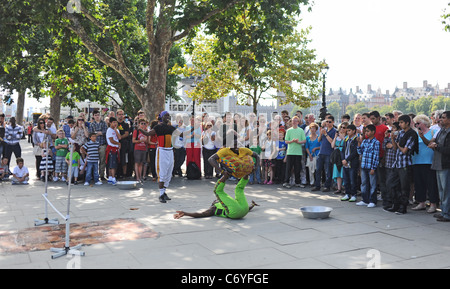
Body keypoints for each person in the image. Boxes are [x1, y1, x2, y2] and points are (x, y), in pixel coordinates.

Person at [173, 173, 259, 219]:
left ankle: (247, 173)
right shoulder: (213, 208)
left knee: (239, 190)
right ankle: (225, 175)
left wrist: (252, 205)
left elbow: (246, 207)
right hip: (235, 213)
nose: (216, 200)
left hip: (244, 211)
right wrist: (186, 213)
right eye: (216, 201)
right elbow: (201, 214)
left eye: (216, 200)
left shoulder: (228, 204)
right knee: (218, 191)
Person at [140, 111, 177, 203]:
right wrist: (139, 129)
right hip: (162, 151)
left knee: (169, 173)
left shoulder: (171, 128)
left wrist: (192, 128)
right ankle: (161, 194)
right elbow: (148, 134)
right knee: (162, 173)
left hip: (170, 151)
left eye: (168, 115)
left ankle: (164, 192)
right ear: (161, 117)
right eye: (166, 115)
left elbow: (182, 135)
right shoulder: (158, 127)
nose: (168, 117)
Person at [388, 114, 418, 215]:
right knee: (391, 184)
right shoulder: (400, 133)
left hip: (405, 164)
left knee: (404, 187)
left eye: (401, 122)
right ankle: (395, 204)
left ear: (407, 123)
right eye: (399, 122)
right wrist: (393, 138)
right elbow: (396, 148)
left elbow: (405, 150)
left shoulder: (412, 134)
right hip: (397, 163)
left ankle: (402, 207)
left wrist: (398, 144)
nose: (400, 125)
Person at [411, 114, 439, 213]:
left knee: (431, 183)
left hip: (428, 161)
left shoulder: (433, 132)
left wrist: (422, 136)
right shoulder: (415, 133)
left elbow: (431, 143)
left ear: (425, 123)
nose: (416, 125)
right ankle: (421, 202)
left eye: (418, 123)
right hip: (416, 161)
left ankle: (433, 204)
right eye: (415, 123)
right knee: (419, 183)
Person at [428, 111, 450, 222]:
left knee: (446, 191)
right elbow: (435, 142)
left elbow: (448, 149)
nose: (440, 119)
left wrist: (437, 146)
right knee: (441, 190)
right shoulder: (442, 130)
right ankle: (443, 211)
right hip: (438, 163)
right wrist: (433, 144)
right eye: (440, 118)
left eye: (444, 118)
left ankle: (447, 214)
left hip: (445, 164)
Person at [356, 124, 380, 208]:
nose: (366, 133)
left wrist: (373, 167)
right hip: (364, 165)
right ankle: (365, 200)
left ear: (373, 132)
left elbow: (376, 156)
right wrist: (359, 143)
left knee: (372, 184)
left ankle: (372, 200)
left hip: (371, 166)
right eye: (365, 131)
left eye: (368, 131)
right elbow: (360, 151)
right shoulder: (365, 141)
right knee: (364, 183)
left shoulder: (376, 142)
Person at [313, 115, 336, 192]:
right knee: (318, 170)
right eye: (326, 121)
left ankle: (327, 186)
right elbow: (319, 140)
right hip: (321, 152)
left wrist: (326, 134)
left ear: (333, 122)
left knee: (328, 171)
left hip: (329, 153)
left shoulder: (334, 131)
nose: (328, 123)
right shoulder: (324, 129)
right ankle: (317, 185)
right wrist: (321, 133)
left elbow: (332, 142)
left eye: (329, 122)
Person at [282, 116, 306, 189]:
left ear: (298, 122)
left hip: (298, 152)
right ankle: (286, 182)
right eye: (293, 121)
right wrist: (291, 141)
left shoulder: (301, 130)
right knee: (288, 168)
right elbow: (286, 141)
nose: (294, 122)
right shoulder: (289, 130)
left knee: (297, 168)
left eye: (295, 121)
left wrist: (298, 142)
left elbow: (304, 141)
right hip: (290, 152)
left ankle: (297, 182)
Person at [340, 124, 359, 202]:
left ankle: (353, 194)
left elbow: (355, 152)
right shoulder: (346, 139)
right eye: (347, 130)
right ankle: (347, 193)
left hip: (352, 162)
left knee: (352, 179)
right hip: (345, 163)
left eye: (349, 130)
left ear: (354, 131)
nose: (347, 132)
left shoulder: (356, 140)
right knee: (346, 179)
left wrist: (347, 160)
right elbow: (343, 150)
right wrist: (343, 159)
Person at [89, 110, 108, 180]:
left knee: (102, 161)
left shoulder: (104, 123)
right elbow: (91, 134)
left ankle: (102, 175)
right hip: (94, 145)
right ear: (93, 116)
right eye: (96, 115)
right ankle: (94, 176)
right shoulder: (92, 124)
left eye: (98, 115)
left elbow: (105, 132)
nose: (97, 116)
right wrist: (98, 133)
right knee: (94, 161)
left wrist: (98, 133)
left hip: (102, 144)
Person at [106, 117, 122, 185]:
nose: (115, 124)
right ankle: (113, 178)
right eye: (113, 122)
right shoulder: (109, 130)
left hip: (116, 149)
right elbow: (111, 140)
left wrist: (115, 130)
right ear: (110, 123)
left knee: (114, 163)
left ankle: (110, 178)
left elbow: (119, 137)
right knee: (112, 164)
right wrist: (118, 143)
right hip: (111, 148)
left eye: (116, 122)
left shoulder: (117, 130)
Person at [132, 118, 148, 183]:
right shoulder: (136, 131)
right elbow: (133, 140)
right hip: (137, 148)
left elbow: (147, 141)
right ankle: (137, 177)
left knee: (141, 163)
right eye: (142, 123)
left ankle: (140, 177)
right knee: (137, 163)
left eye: (144, 123)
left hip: (143, 148)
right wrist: (140, 141)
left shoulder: (146, 131)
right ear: (139, 124)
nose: (143, 125)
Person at [115, 109, 130, 178]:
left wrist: (120, 137)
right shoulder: (114, 124)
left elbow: (126, 134)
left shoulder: (126, 124)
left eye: (122, 114)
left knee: (124, 159)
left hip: (124, 144)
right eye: (119, 114)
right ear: (117, 115)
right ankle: (117, 174)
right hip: (115, 143)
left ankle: (124, 174)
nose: (121, 116)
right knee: (116, 159)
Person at [305, 123, 320, 187]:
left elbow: (321, 146)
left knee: (317, 169)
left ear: (316, 129)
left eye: (314, 128)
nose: (312, 130)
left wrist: (316, 148)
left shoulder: (318, 137)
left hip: (317, 155)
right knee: (310, 169)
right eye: (311, 128)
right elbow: (306, 147)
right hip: (310, 155)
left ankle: (317, 182)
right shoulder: (307, 138)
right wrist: (309, 155)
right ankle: (312, 182)